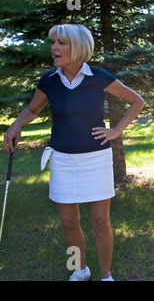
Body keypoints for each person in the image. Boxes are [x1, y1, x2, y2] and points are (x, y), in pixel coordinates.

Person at [2, 24, 145, 280]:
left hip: (96, 158)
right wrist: (15, 125)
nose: (54, 48)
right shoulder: (49, 80)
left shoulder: (98, 76)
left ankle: (106, 275)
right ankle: (80, 269)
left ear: (77, 46)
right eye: (53, 42)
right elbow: (33, 110)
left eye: (61, 43)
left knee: (101, 222)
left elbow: (137, 100)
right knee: (69, 224)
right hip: (62, 160)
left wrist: (116, 130)